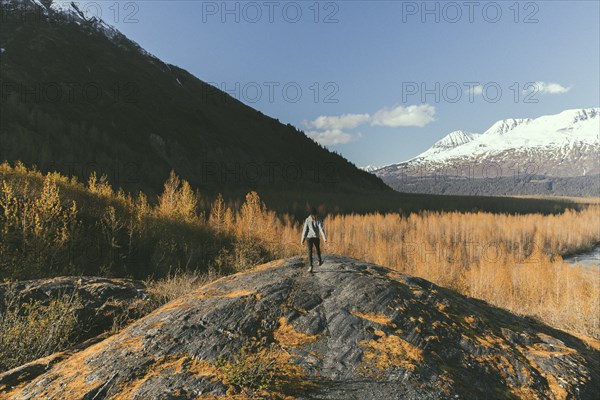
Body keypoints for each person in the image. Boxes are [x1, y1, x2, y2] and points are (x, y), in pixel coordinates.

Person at [301, 207, 327, 272]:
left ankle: (310, 266)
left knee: (310, 252)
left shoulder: (307, 220)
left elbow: (304, 230)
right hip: (316, 238)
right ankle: (320, 260)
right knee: (318, 249)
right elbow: (321, 229)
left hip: (309, 238)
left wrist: (302, 240)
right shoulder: (318, 219)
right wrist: (324, 238)